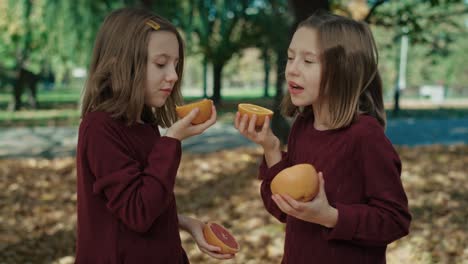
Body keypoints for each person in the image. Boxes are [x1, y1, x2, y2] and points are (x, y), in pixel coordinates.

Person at [235, 11, 411, 264]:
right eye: (290, 57)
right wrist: (271, 148)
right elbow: (282, 209)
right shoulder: (302, 126)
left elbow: (395, 220)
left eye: (308, 61)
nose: (292, 70)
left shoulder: (365, 136)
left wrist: (330, 216)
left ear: (343, 70)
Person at [75, 8, 233, 263]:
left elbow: (144, 199)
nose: (173, 76)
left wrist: (186, 223)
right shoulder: (100, 128)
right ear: (119, 64)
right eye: (161, 64)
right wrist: (171, 141)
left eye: (176, 65)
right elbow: (138, 212)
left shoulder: (145, 124)